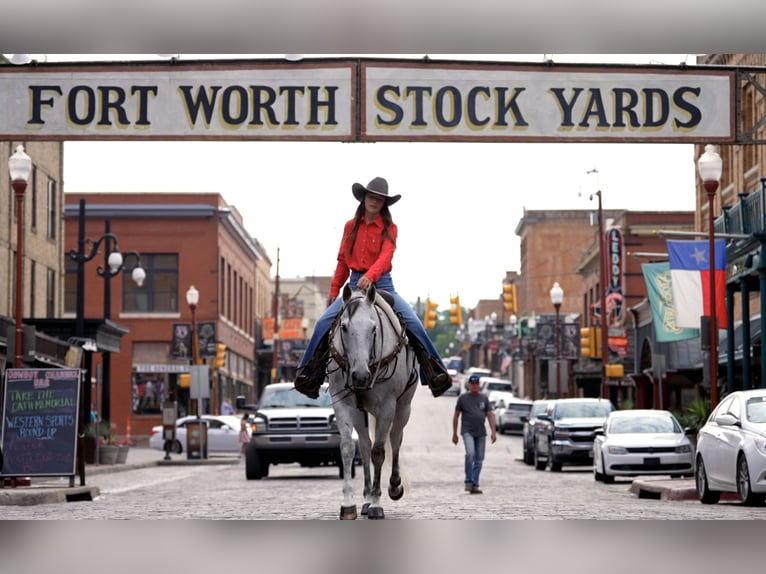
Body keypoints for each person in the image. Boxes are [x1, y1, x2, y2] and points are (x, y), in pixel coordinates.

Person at [294, 176, 452, 399]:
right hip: (355, 283)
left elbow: (386, 256)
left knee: (414, 323)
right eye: (371, 197)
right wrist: (333, 290)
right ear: (364, 199)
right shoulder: (350, 226)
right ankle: (309, 375)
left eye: (379, 199)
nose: (374, 202)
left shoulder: (390, 228)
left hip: (383, 284)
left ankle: (435, 372)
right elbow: (342, 260)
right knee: (322, 323)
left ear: (383, 204)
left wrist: (371, 276)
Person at [452, 374, 497, 494]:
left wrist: (493, 432)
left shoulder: (484, 398)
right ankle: (468, 481)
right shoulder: (463, 398)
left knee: (479, 459)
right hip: (467, 431)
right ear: (469, 385)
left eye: (476, 384)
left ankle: (475, 484)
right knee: (470, 453)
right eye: (472, 384)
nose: (474, 386)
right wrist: (454, 434)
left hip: (481, 432)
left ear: (479, 385)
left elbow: (490, 415)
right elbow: (456, 415)